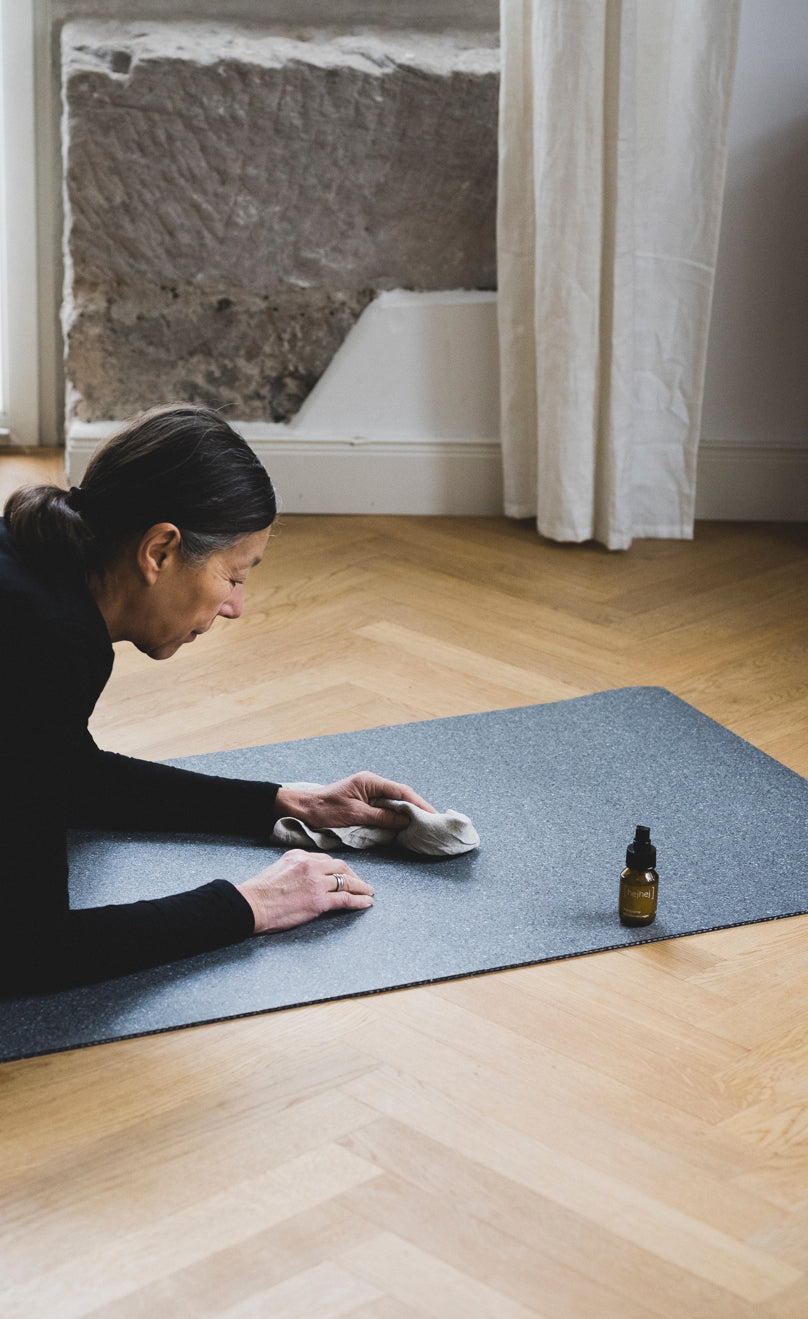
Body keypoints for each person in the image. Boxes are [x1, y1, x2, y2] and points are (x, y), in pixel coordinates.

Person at [0, 404, 434, 995]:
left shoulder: (29, 568)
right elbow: (30, 950)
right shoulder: (45, 641)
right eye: (234, 576)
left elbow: (56, 773)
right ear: (159, 552)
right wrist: (254, 903)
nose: (235, 607)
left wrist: (284, 805)